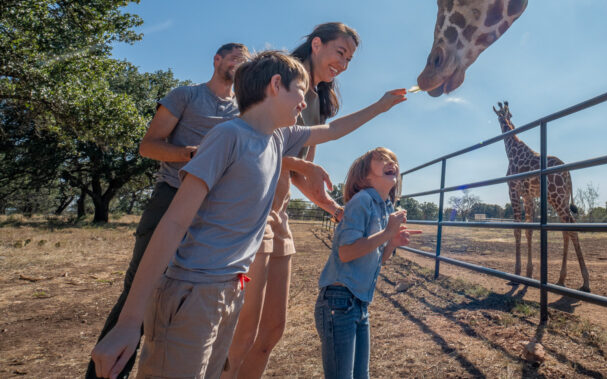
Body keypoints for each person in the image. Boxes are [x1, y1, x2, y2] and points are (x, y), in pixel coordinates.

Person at [90, 51, 402, 379]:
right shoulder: (228, 136)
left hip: (230, 290)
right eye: (301, 89)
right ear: (275, 84)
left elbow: (335, 129)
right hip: (192, 292)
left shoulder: (279, 138)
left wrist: (381, 105)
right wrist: (128, 322)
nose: (304, 102)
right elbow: (173, 222)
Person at [225, 22, 406, 377]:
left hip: (280, 215)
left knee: (272, 331)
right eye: (341, 53)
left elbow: (302, 170)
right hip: (252, 216)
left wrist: (332, 206)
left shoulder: (315, 103)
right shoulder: (279, 84)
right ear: (317, 44)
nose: (344, 64)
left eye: (350, 59)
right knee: (241, 330)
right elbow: (260, 146)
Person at [85, 42, 249, 379]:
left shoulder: (242, 111)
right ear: (216, 60)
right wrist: (191, 155)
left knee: (184, 299)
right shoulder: (185, 96)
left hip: (210, 213)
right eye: (234, 58)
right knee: (138, 293)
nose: (238, 64)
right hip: (170, 197)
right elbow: (148, 145)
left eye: (244, 62)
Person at [316, 147, 419, 379]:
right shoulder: (361, 201)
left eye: (393, 159)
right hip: (339, 301)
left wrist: (391, 242)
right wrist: (386, 233)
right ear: (364, 177)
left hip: (359, 304)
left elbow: (376, 260)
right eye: (382, 160)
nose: (391, 162)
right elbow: (346, 252)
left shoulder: (385, 208)